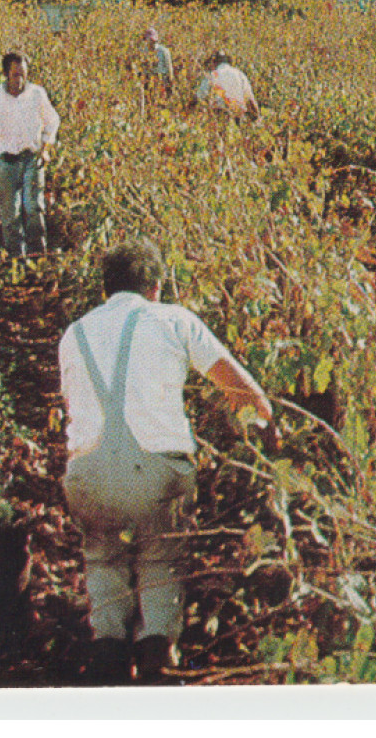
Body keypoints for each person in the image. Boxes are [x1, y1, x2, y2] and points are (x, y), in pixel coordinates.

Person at [59, 238, 274, 683]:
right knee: (161, 553)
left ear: (106, 289)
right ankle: (157, 644)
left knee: (103, 555)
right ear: (155, 286)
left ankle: (108, 647)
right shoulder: (175, 321)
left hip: (87, 473)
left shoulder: (73, 334)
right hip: (157, 473)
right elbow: (240, 390)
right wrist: (267, 420)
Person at [0, 52, 61, 259]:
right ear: (6, 74)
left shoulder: (36, 94)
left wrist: (44, 149)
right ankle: (16, 258)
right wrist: (5, 145)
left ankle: (38, 255)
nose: (19, 79)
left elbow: (52, 121)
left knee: (34, 207)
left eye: (23, 74)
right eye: (15, 74)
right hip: (6, 160)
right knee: (10, 216)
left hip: (31, 159)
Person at [193, 51, 260, 120]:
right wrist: (257, 119)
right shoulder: (240, 74)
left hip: (219, 116)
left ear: (214, 63)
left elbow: (198, 97)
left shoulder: (212, 75)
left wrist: (186, 116)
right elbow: (250, 100)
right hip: (238, 116)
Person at [140, 27, 174, 99]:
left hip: (162, 79)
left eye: (152, 40)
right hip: (149, 80)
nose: (151, 42)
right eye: (149, 40)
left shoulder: (164, 51)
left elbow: (169, 68)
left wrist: (170, 84)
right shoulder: (143, 51)